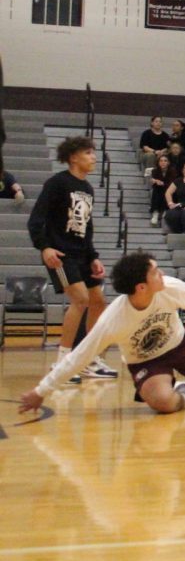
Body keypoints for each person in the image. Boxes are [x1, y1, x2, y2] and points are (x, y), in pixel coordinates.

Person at [19, 253, 185, 415]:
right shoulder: (113, 319)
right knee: (163, 403)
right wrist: (41, 391)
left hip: (182, 345)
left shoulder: (169, 287)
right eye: (155, 272)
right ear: (141, 287)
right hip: (146, 360)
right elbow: (79, 356)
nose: (161, 274)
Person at [27, 136, 118, 383]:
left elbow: (86, 228)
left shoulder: (87, 189)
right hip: (60, 254)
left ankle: (88, 359)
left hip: (81, 255)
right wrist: (44, 247)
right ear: (73, 156)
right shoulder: (57, 183)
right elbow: (36, 219)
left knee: (98, 301)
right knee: (80, 299)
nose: (94, 157)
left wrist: (94, 258)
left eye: (94, 153)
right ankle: (63, 363)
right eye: (88, 153)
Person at [148, 156, 174, 227]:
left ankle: (164, 210)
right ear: (158, 162)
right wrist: (155, 181)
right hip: (158, 190)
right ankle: (156, 212)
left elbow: (172, 183)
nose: (163, 162)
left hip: (170, 190)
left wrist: (162, 183)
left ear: (168, 162)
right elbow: (154, 184)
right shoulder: (154, 171)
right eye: (161, 161)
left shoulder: (172, 171)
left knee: (166, 190)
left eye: (165, 161)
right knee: (156, 189)